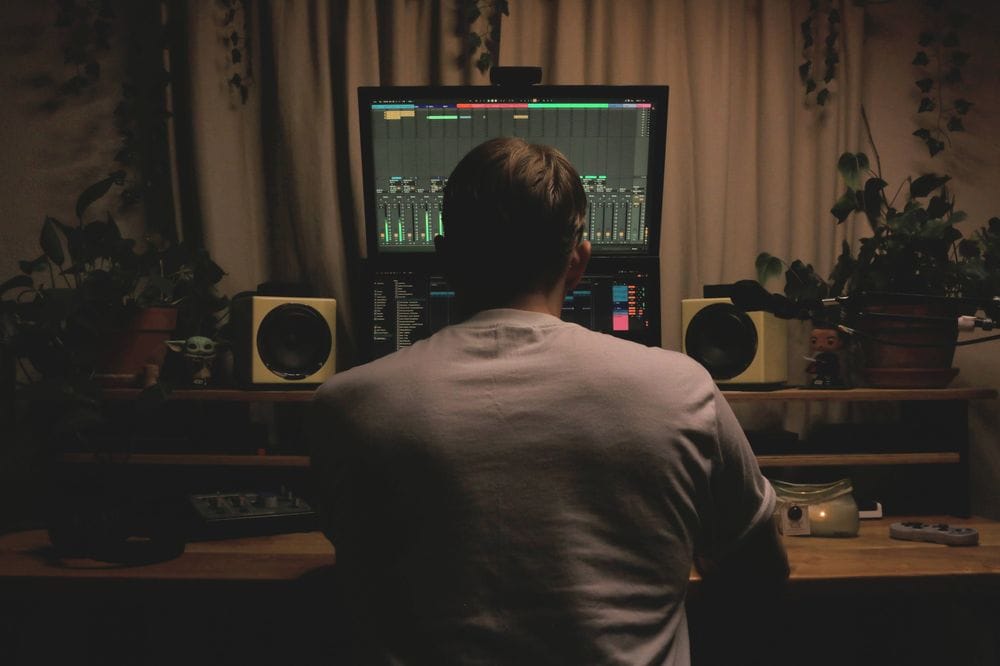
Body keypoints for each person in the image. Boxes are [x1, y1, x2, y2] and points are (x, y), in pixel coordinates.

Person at [310, 137, 788, 665]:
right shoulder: (684, 390)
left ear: (444, 259)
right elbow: (761, 571)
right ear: (578, 262)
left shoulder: (345, 407)